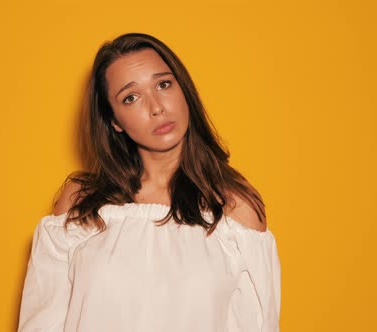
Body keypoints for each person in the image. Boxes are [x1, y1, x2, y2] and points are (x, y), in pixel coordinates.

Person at [17, 32, 281, 332]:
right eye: (131, 97)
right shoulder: (80, 205)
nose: (156, 107)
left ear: (184, 91)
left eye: (163, 84)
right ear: (113, 120)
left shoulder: (235, 209)